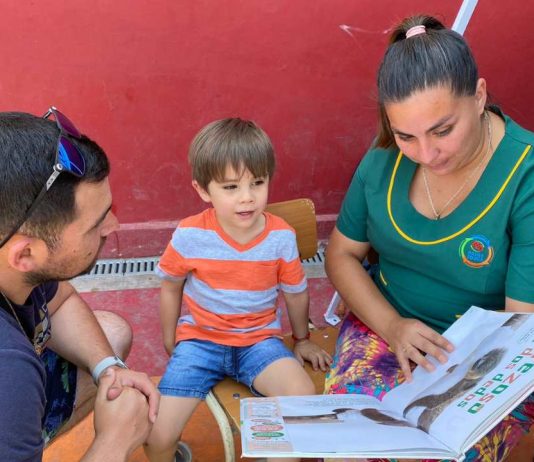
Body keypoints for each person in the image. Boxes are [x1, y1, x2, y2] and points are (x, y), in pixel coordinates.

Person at [324, 15, 534, 462]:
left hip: (491, 360)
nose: (426, 153)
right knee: (351, 445)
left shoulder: (526, 178)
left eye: (442, 130)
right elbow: (342, 254)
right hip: (386, 328)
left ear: (479, 96)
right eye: (406, 136)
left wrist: (452, 383)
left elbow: (522, 332)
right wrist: (393, 327)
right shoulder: (384, 158)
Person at [144, 118, 332, 462]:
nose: (247, 198)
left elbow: (295, 292)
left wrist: (302, 338)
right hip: (200, 343)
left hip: (259, 343)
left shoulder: (281, 237)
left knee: (301, 396)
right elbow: (170, 287)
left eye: (257, 183)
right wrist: (170, 338)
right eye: (230, 187)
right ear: (203, 190)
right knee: (158, 434)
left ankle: (270, 453)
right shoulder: (189, 235)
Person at [0, 108, 160, 461]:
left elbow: (59, 301)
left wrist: (109, 368)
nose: (114, 226)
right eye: (96, 224)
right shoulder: (8, 368)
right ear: (25, 254)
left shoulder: (13, 261)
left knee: (111, 334)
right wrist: (114, 442)